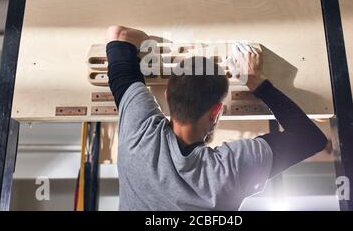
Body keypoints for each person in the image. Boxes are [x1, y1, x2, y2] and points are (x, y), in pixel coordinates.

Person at [106, 25, 327, 211]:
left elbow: (118, 34)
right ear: (216, 111)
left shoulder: (139, 136)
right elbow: (310, 138)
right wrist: (257, 82)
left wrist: (154, 45)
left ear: (166, 96)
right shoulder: (229, 170)